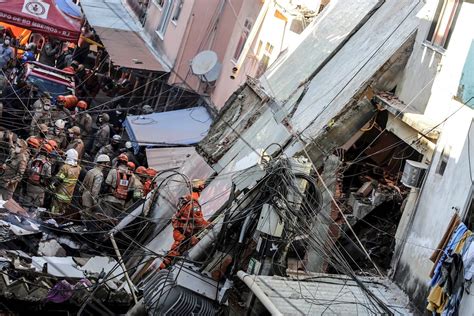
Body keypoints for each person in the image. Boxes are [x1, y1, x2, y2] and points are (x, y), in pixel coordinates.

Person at [160, 179, 210, 269]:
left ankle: (165, 266)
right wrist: (208, 225)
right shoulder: (194, 204)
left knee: (190, 244)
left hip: (179, 231)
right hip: (183, 234)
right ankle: (161, 270)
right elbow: (198, 220)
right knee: (173, 254)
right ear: (200, 189)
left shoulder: (184, 199)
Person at [50, 148, 81, 215]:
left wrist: (51, 186)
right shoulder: (78, 168)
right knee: (62, 212)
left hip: (59, 195)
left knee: (54, 211)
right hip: (68, 196)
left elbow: (59, 180)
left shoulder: (65, 167)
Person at [25, 139, 53, 207]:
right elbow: (48, 177)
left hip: (29, 186)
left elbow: (27, 171)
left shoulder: (32, 160)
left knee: (26, 205)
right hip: (39, 189)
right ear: (48, 153)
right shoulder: (48, 164)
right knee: (36, 208)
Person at [0, 135, 28, 200]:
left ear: (23, 148)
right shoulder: (14, 153)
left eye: (19, 146)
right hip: (1, 180)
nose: (17, 147)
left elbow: (19, 176)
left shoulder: (22, 160)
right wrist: (10, 138)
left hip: (8, 186)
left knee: (3, 202)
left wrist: (10, 181)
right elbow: (11, 147)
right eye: (17, 145)